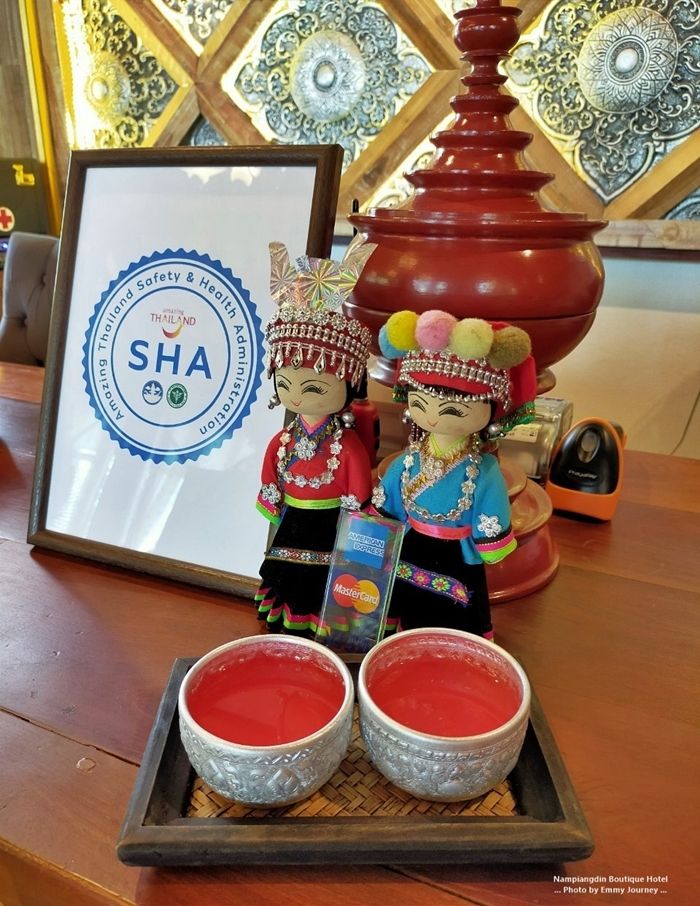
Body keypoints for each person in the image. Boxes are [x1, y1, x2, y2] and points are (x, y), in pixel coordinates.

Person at [371, 310, 537, 639]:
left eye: (452, 409)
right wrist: (377, 530)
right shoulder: (409, 459)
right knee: (407, 605)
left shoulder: (483, 469)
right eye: (421, 403)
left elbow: (491, 506)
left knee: (454, 612)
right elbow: (388, 502)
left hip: (457, 555)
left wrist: (489, 544)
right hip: (411, 545)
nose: (433, 417)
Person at [255, 238, 376, 636]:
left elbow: (359, 485)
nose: (295, 396)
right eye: (285, 383)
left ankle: (321, 622)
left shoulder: (347, 446)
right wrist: (273, 497)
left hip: (329, 524)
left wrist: (357, 519)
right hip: (292, 518)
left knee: (322, 581)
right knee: (287, 575)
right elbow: (271, 471)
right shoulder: (284, 440)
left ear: (349, 385)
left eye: (314, 387)